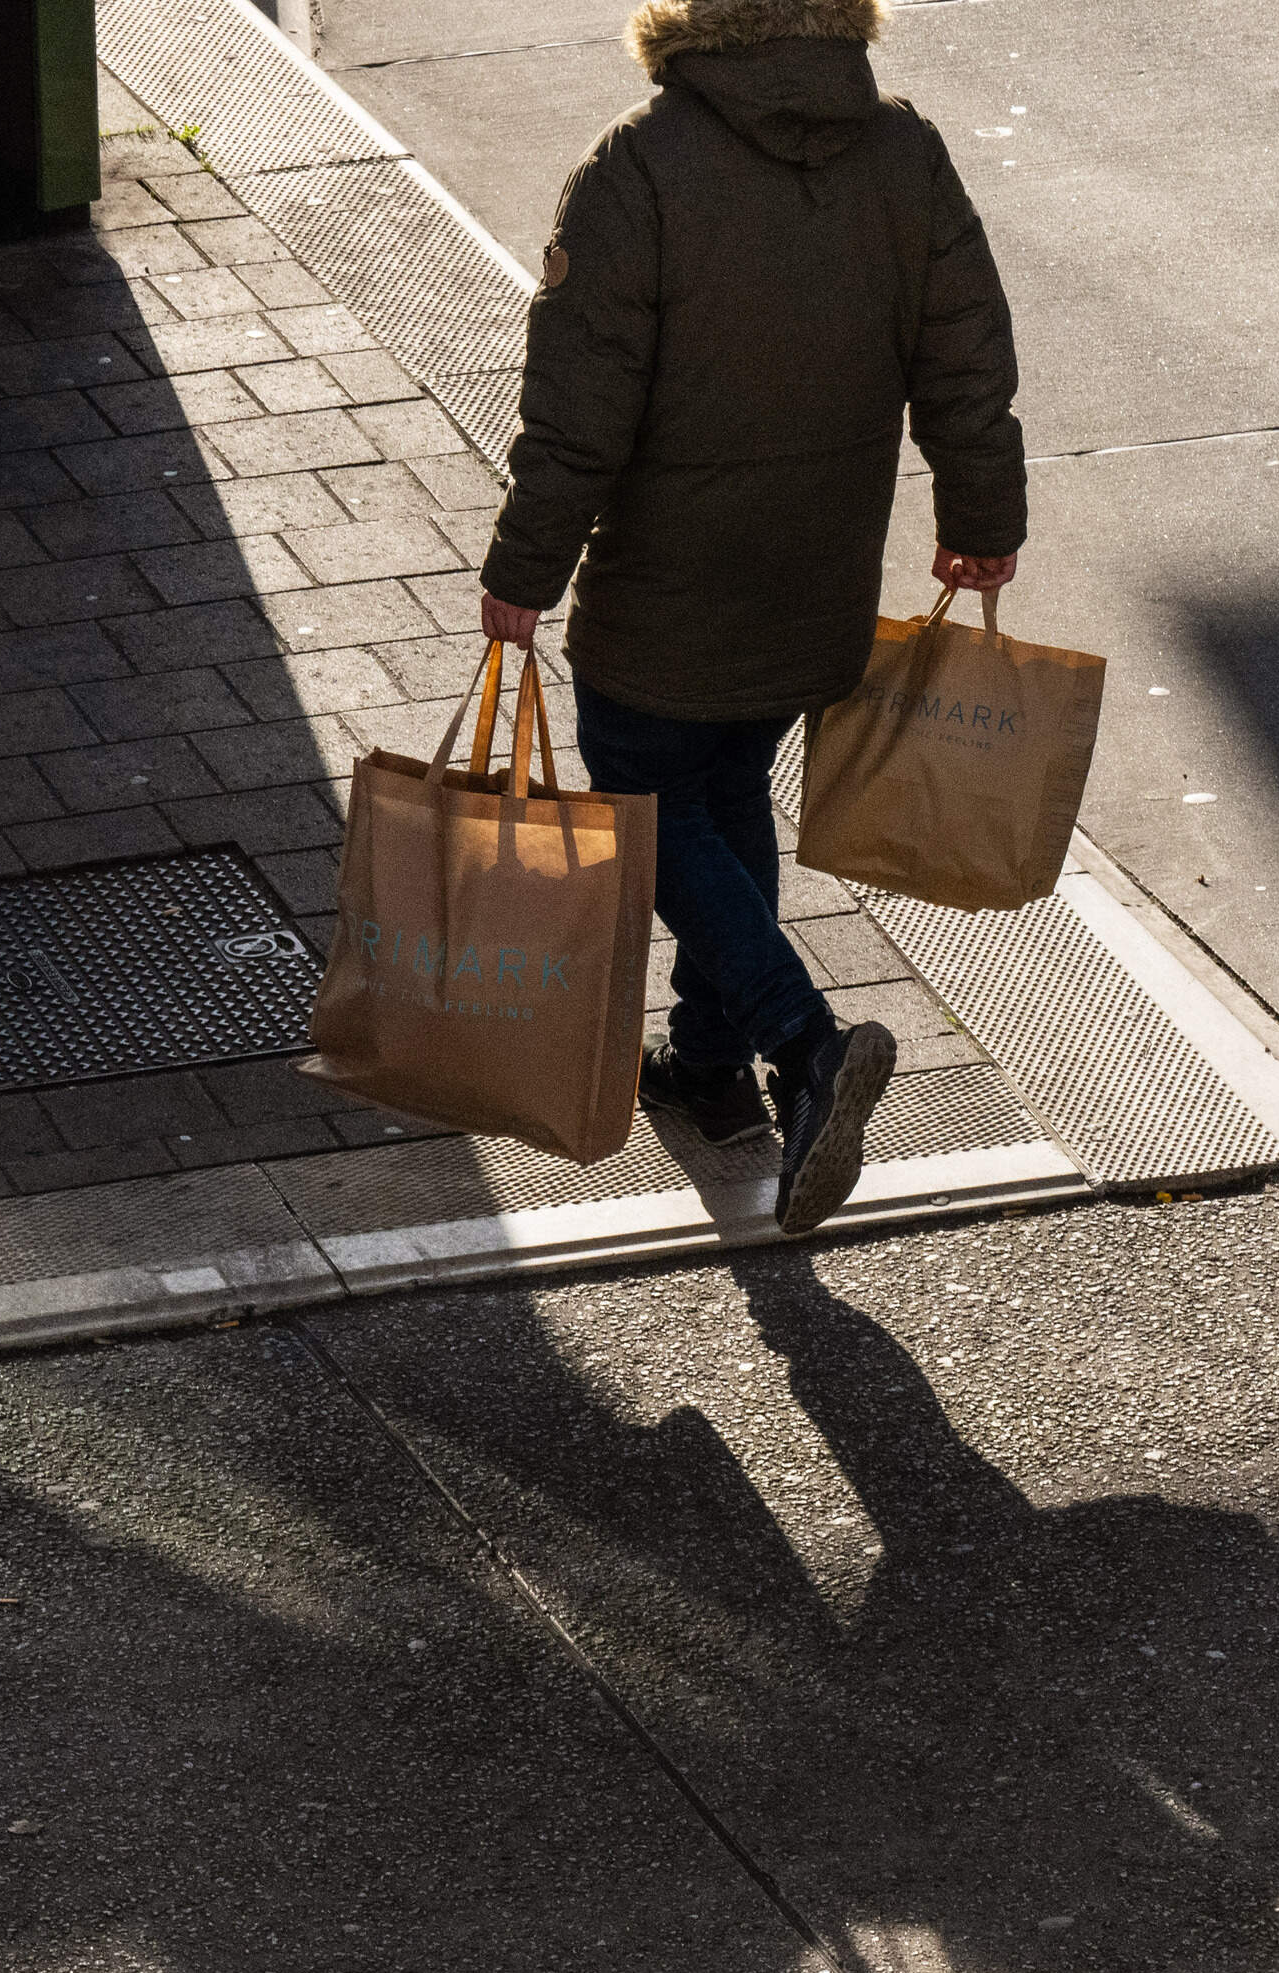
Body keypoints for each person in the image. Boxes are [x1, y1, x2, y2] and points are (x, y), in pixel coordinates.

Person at [476, 0, 1027, 1233]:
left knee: (646, 792)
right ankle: (713, 1064)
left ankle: (804, 1038)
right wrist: (983, 516)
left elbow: (580, 407)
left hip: (668, 574)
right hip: (818, 564)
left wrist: (525, 568)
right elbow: (967, 355)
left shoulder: (638, 168)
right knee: (726, 795)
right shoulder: (904, 152)